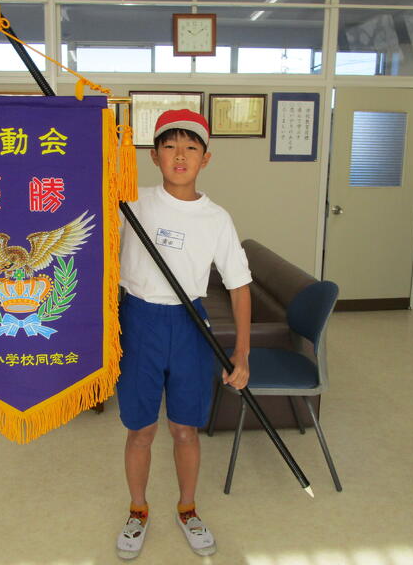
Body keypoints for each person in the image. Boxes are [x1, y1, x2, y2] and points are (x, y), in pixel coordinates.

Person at [115, 109, 252, 559]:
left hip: (190, 324)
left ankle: (188, 509)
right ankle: (137, 511)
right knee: (140, 429)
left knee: (185, 429)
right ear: (154, 156)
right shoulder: (130, 202)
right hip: (139, 321)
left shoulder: (217, 219)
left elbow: (239, 287)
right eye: (170, 146)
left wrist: (243, 354)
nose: (180, 155)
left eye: (190, 147)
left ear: (205, 159)